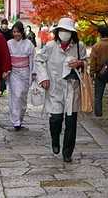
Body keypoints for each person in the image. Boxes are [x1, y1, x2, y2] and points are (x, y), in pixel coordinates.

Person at [35, 17, 87, 162]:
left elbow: (85, 62)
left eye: (67, 31)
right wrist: (43, 77)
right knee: (56, 119)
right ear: (57, 32)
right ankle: (55, 140)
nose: (65, 33)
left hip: (72, 88)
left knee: (71, 121)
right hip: (55, 88)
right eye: (62, 30)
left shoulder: (79, 46)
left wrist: (80, 63)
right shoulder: (50, 46)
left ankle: (67, 152)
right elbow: (39, 60)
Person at [7, 21, 36, 130]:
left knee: (23, 97)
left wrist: (33, 73)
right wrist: (6, 70)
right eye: (14, 32)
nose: (16, 34)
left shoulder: (28, 44)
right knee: (16, 95)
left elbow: (33, 59)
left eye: (18, 32)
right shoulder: (9, 43)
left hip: (25, 72)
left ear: (22, 32)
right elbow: (6, 59)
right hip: (14, 72)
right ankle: (16, 121)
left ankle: (20, 117)